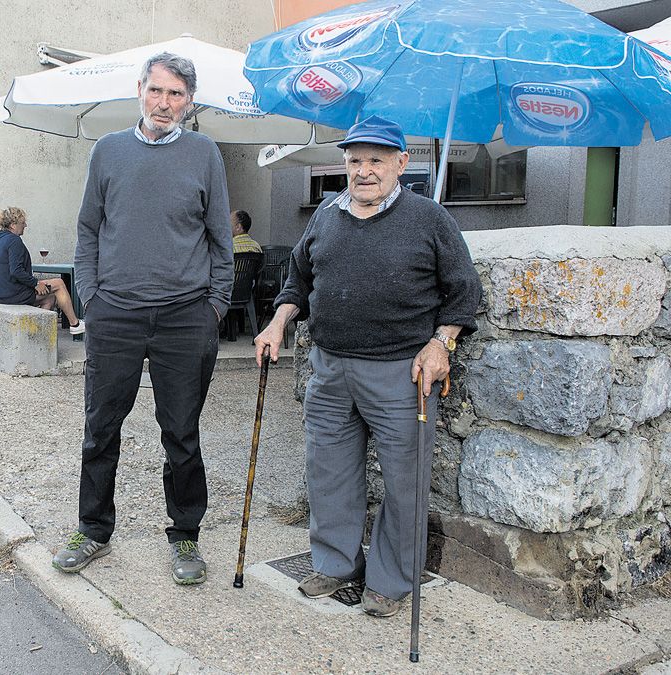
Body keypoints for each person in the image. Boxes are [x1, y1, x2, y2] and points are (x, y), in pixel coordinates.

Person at [253, 115, 482, 617]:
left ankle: (390, 581)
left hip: (401, 372)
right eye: (355, 160)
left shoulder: (429, 218)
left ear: (402, 162)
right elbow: (299, 279)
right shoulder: (325, 216)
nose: (364, 170)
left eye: (376, 160)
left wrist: (442, 343)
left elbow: (464, 291)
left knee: (405, 482)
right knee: (328, 472)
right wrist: (278, 322)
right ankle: (336, 565)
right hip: (330, 369)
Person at [51, 52, 232, 586]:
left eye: (176, 94)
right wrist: (93, 298)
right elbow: (88, 230)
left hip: (186, 317)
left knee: (181, 432)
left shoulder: (205, 154)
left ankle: (185, 537)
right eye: (157, 91)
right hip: (117, 315)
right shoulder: (108, 151)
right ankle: (92, 531)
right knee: (101, 428)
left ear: (190, 102)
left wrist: (214, 307)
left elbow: (221, 238)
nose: (164, 103)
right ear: (140, 90)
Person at [0, 206, 84, 335]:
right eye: (22, 222)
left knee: (50, 297)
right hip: (12, 294)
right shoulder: (14, 241)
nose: (25, 225)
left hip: (0, 294)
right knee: (59, 284)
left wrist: (36, 284)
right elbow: (16, 271)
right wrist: (36, 283)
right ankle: (75, 324)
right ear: (13, 225)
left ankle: (39, 335)